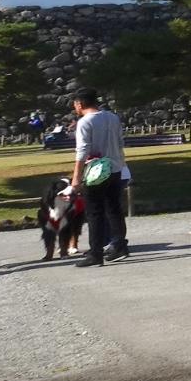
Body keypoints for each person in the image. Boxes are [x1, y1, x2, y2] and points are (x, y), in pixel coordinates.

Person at [69, 88, 131, 267]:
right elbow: (120, 142)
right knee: (114, 209)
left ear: (80, 104)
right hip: (115, 168)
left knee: (94, 212)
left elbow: (82, 151)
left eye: (75, 104)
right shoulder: (112, 117)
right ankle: (119, 245)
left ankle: (95, 252)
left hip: (96, 171)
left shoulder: (85, 122)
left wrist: (76, 178)